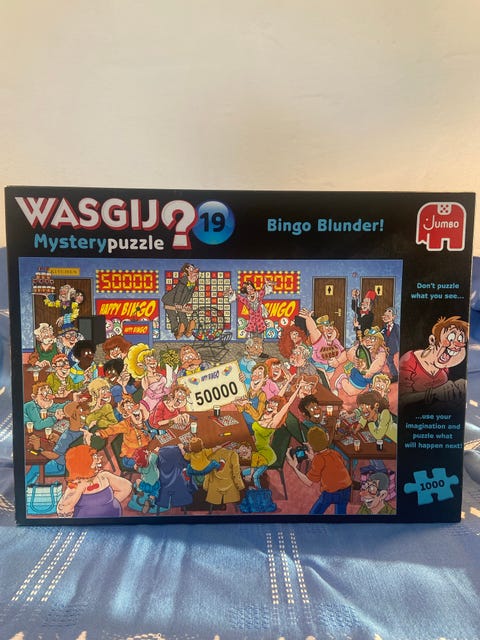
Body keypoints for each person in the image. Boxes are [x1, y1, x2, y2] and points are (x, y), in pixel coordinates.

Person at [399, 315, 468, 407]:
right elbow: (401, 400)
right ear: (432, 340)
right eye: (451, 338)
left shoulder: (444, 364)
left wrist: (457, 386)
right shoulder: (408, 360)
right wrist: (435, 393)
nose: (455, 345)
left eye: (460, 339)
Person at [286, 426, 352, 515]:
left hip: (330, 493)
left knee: (315, 514)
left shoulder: (318, 459)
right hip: (347, 489)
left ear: (311, 444)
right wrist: (313, 457)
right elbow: (328, 463)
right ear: (326, 438)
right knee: (341, 513)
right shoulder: (334, 453)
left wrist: (294, 467)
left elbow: (309, 482)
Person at [56, 445, 131, 518]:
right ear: (85, 463)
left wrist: (111, 503)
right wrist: (79, 491)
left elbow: (127, 486)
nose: (100, 459)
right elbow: (63, 512)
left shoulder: (103, 476)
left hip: (112, 519)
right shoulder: (75, 485)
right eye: (95, 457)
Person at [161, 263, 200, 339]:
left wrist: (185, 304)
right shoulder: (183, 280)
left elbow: (189, 295)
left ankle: (187, 329)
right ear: (187, 270)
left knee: (182, 314)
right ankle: (176, 330)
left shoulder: (192, 283)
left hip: (181, 301)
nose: (195, 275)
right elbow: (178, 292)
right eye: (191, 268)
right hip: (170, 299)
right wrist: (177, 303)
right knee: (172, 315)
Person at [381, 307, 400, 382]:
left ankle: (395, 376)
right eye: (385, 316)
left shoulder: (396, 327)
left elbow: (399, 337)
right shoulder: (384, 328)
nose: (385, 317)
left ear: (393, 317)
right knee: (384, 360)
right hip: (385, 348)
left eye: (388, 316)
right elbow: (380, 336)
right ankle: (379, 372)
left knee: (389, 361)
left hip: (393, 348)